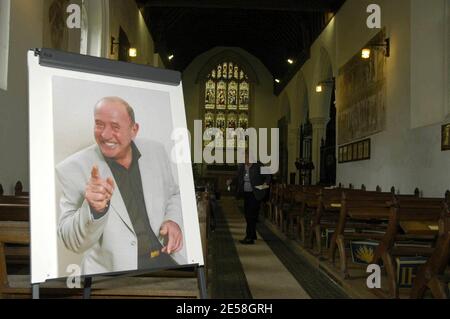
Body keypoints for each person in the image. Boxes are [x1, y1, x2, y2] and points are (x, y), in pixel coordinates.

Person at [56, 96, 185, 275]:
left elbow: (174, 194)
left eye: (115, 127)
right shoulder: (72, 169)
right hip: (113, 275)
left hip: (166, 261)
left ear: (134, 130)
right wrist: (92, 209)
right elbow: (71, 241)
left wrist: (173, 221)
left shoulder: (156, 151)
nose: (105, 134)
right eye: (99, 124)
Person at [236, 150, 271, 244]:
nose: (243, 160)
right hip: (246, 193)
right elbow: (238, 177)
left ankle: (249, 238)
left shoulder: (258, 165)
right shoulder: (242, 166)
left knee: (251, 215)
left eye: (245, 157)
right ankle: (253, 234)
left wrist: (263, 187)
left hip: (255, 194)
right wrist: (231, 181)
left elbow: (268, 176)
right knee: (248, 215)